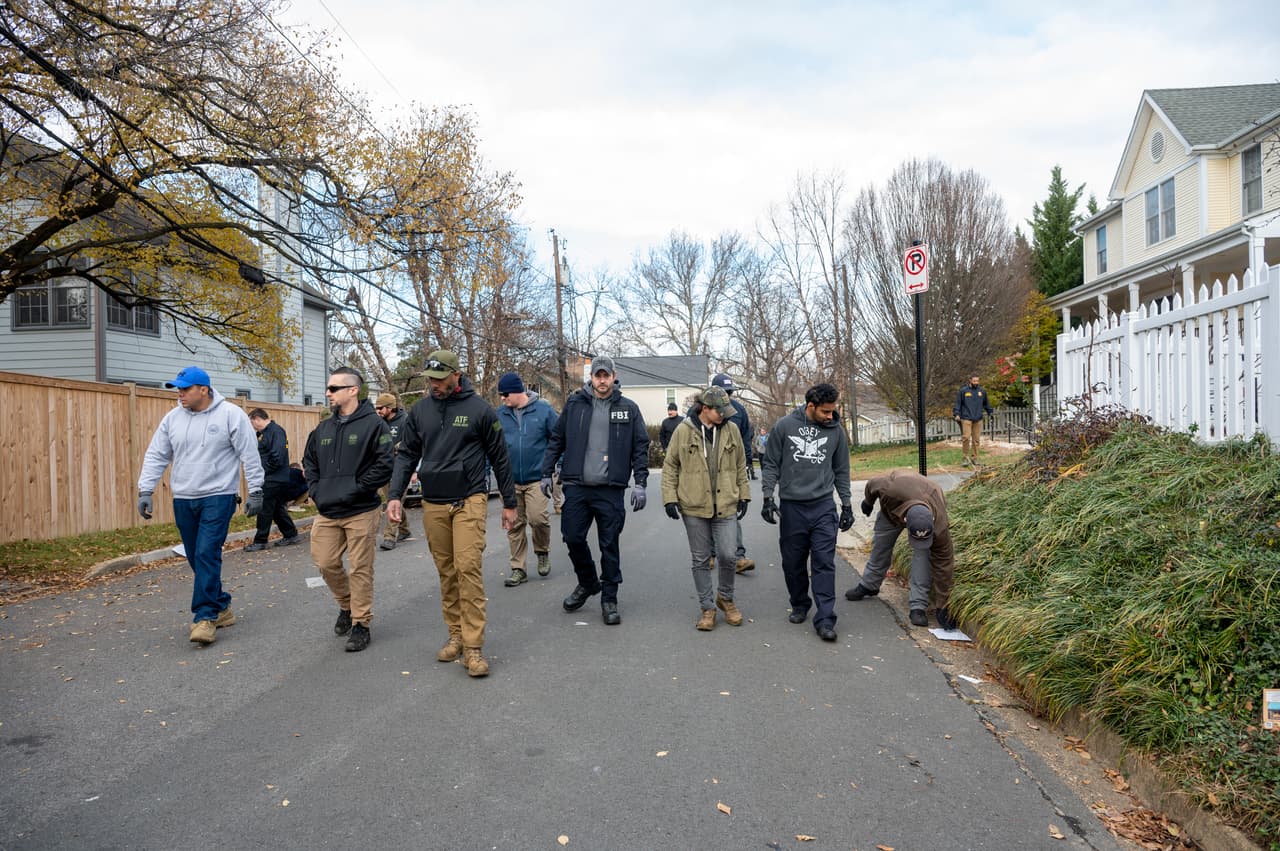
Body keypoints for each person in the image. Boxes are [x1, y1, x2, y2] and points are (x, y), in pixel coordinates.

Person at [386, 350, 517, 678]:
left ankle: (473, 647)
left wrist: (510, 503)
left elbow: (500, 457)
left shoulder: (480, 410)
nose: (434, 384)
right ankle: (456, 635)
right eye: (430, 379)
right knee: (447, 572)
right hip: (433, 501)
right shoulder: (420, 411)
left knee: (467, 568)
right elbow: (407, 455)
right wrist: (395, 496)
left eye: (440, 378)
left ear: (456, 375)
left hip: (469, 499)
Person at [137, 366, 264, 646]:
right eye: (178, 389)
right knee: (196, 555)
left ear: (203, 389)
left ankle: (205, 617)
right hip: (184, 497)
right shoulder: (172, 419)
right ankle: (222, 604)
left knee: (207, 552)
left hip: (219, 495)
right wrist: (145, 489)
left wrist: (256, 490)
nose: (180, 394)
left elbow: (249, 453)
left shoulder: (230, 415)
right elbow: (157, 454)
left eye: (185, 389)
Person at [540, 355, 649, 626]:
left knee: (609, 544)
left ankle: (609, 599)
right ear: (591, 378)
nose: (602, 380)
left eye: (606, 375)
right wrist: (545, 471)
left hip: (610, 490)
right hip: (577, 486)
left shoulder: (628, 408)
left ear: (614, 376)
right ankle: (588, 582)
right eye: (598, 376)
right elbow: (557, 438)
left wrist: (641, 483)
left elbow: (640, 446)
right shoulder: (575, 404)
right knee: (572, 537)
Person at [302, 367, 394, 653]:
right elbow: (309, 461)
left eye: (333, 388)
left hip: (361, 509)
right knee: (325, 562)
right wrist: (316, 490)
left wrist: (356, 488)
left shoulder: (374, 425)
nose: (328, 393)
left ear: (353, 390)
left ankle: (360, 623)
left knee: (360, 568)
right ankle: (346, 604)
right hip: (328, 510)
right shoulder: (324, 428)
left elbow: (385, 464)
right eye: (328, 388)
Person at [760, 382, 853, 642]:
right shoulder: (784, 426)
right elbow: (770, 464)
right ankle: (800, 602)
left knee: (824, 562)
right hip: (792, 507)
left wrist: (846, 504)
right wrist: (767, 497)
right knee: (793, 562)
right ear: (810, 406)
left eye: (832, 411)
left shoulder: (836, 431)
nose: (830, 416)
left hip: (823, 506)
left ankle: (825, 618)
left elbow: (841, 470)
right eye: (825, 411)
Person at [662, 386, 750, 631]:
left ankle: (726, 598)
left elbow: (741, 464)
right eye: (719, 411)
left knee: (729, 555)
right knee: (701, 559)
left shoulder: (731, 430)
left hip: (726, 503)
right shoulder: (683, 431)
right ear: (705, 408)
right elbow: (670, 466)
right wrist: (669, 498)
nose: (724, 415)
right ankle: (707, 608)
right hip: (693, 505)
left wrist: (744, 495)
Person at [845, 470, 956, 630]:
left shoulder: (939, 524)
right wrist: (868, 502)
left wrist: (943, 605)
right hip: (892, 510)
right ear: (905, 520)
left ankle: (918, 606)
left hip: (924, 499)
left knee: (923, 557)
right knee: (880, 545)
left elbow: (944, 564)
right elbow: (871, 484)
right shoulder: (889, 489)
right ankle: (869, 585)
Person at [495, 372, 558, 586]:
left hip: (537, 478)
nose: (502, 398)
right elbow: (491, 444)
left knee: (538, 518)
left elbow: (558, 439)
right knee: (514, 524)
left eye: (505, 394)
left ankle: (542, 551)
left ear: (517, 391)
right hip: (509, 480)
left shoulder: (543, 410)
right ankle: (518, 568)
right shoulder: (499, 415)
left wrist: (558, 465)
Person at [708, 373, 756, 572]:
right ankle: (709, 554)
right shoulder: (701, 411)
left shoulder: (739, 410)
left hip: (730, 470)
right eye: (723, 392)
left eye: (729, 392)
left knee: (729, 511)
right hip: (706, 471)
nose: (726, 396)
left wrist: (746, 464)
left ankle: (738, 556)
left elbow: (745, 439)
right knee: (707, 511)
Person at [245, 409, 300, 551]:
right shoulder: (264, 434)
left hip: (273, 477)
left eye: (251, 423)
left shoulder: (276, 432)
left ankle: (260, 541)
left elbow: (277, 456)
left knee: (264, 509)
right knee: (276, 508)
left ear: (257, 419)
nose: (252, 427)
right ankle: (291, 534)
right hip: (273, 477)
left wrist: (263, 471)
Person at [374, 392, 412, 550]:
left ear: (390, 408)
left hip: (401, 468)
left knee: (393, 499)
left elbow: (412, 442)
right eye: (376, 408)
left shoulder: (405, 421)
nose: (378, 411)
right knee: (394, 500)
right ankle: (405, 529)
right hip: (384, 467)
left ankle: (389, 536)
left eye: (380, 408)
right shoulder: (379, 423)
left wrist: (395, 448)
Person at [953, 373, 994, 467]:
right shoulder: (963, 391)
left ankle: (974, 458)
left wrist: (990, 412)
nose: (976, 382)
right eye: (974, 381)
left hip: (978, 418)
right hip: (966, 418)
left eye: (977, 381)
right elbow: (958, 403)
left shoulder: (982, 391)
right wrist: (956, 414)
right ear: (970, 380)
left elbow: (986, 404)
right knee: (966, 438)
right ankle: (965, 458)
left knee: (976, 440)